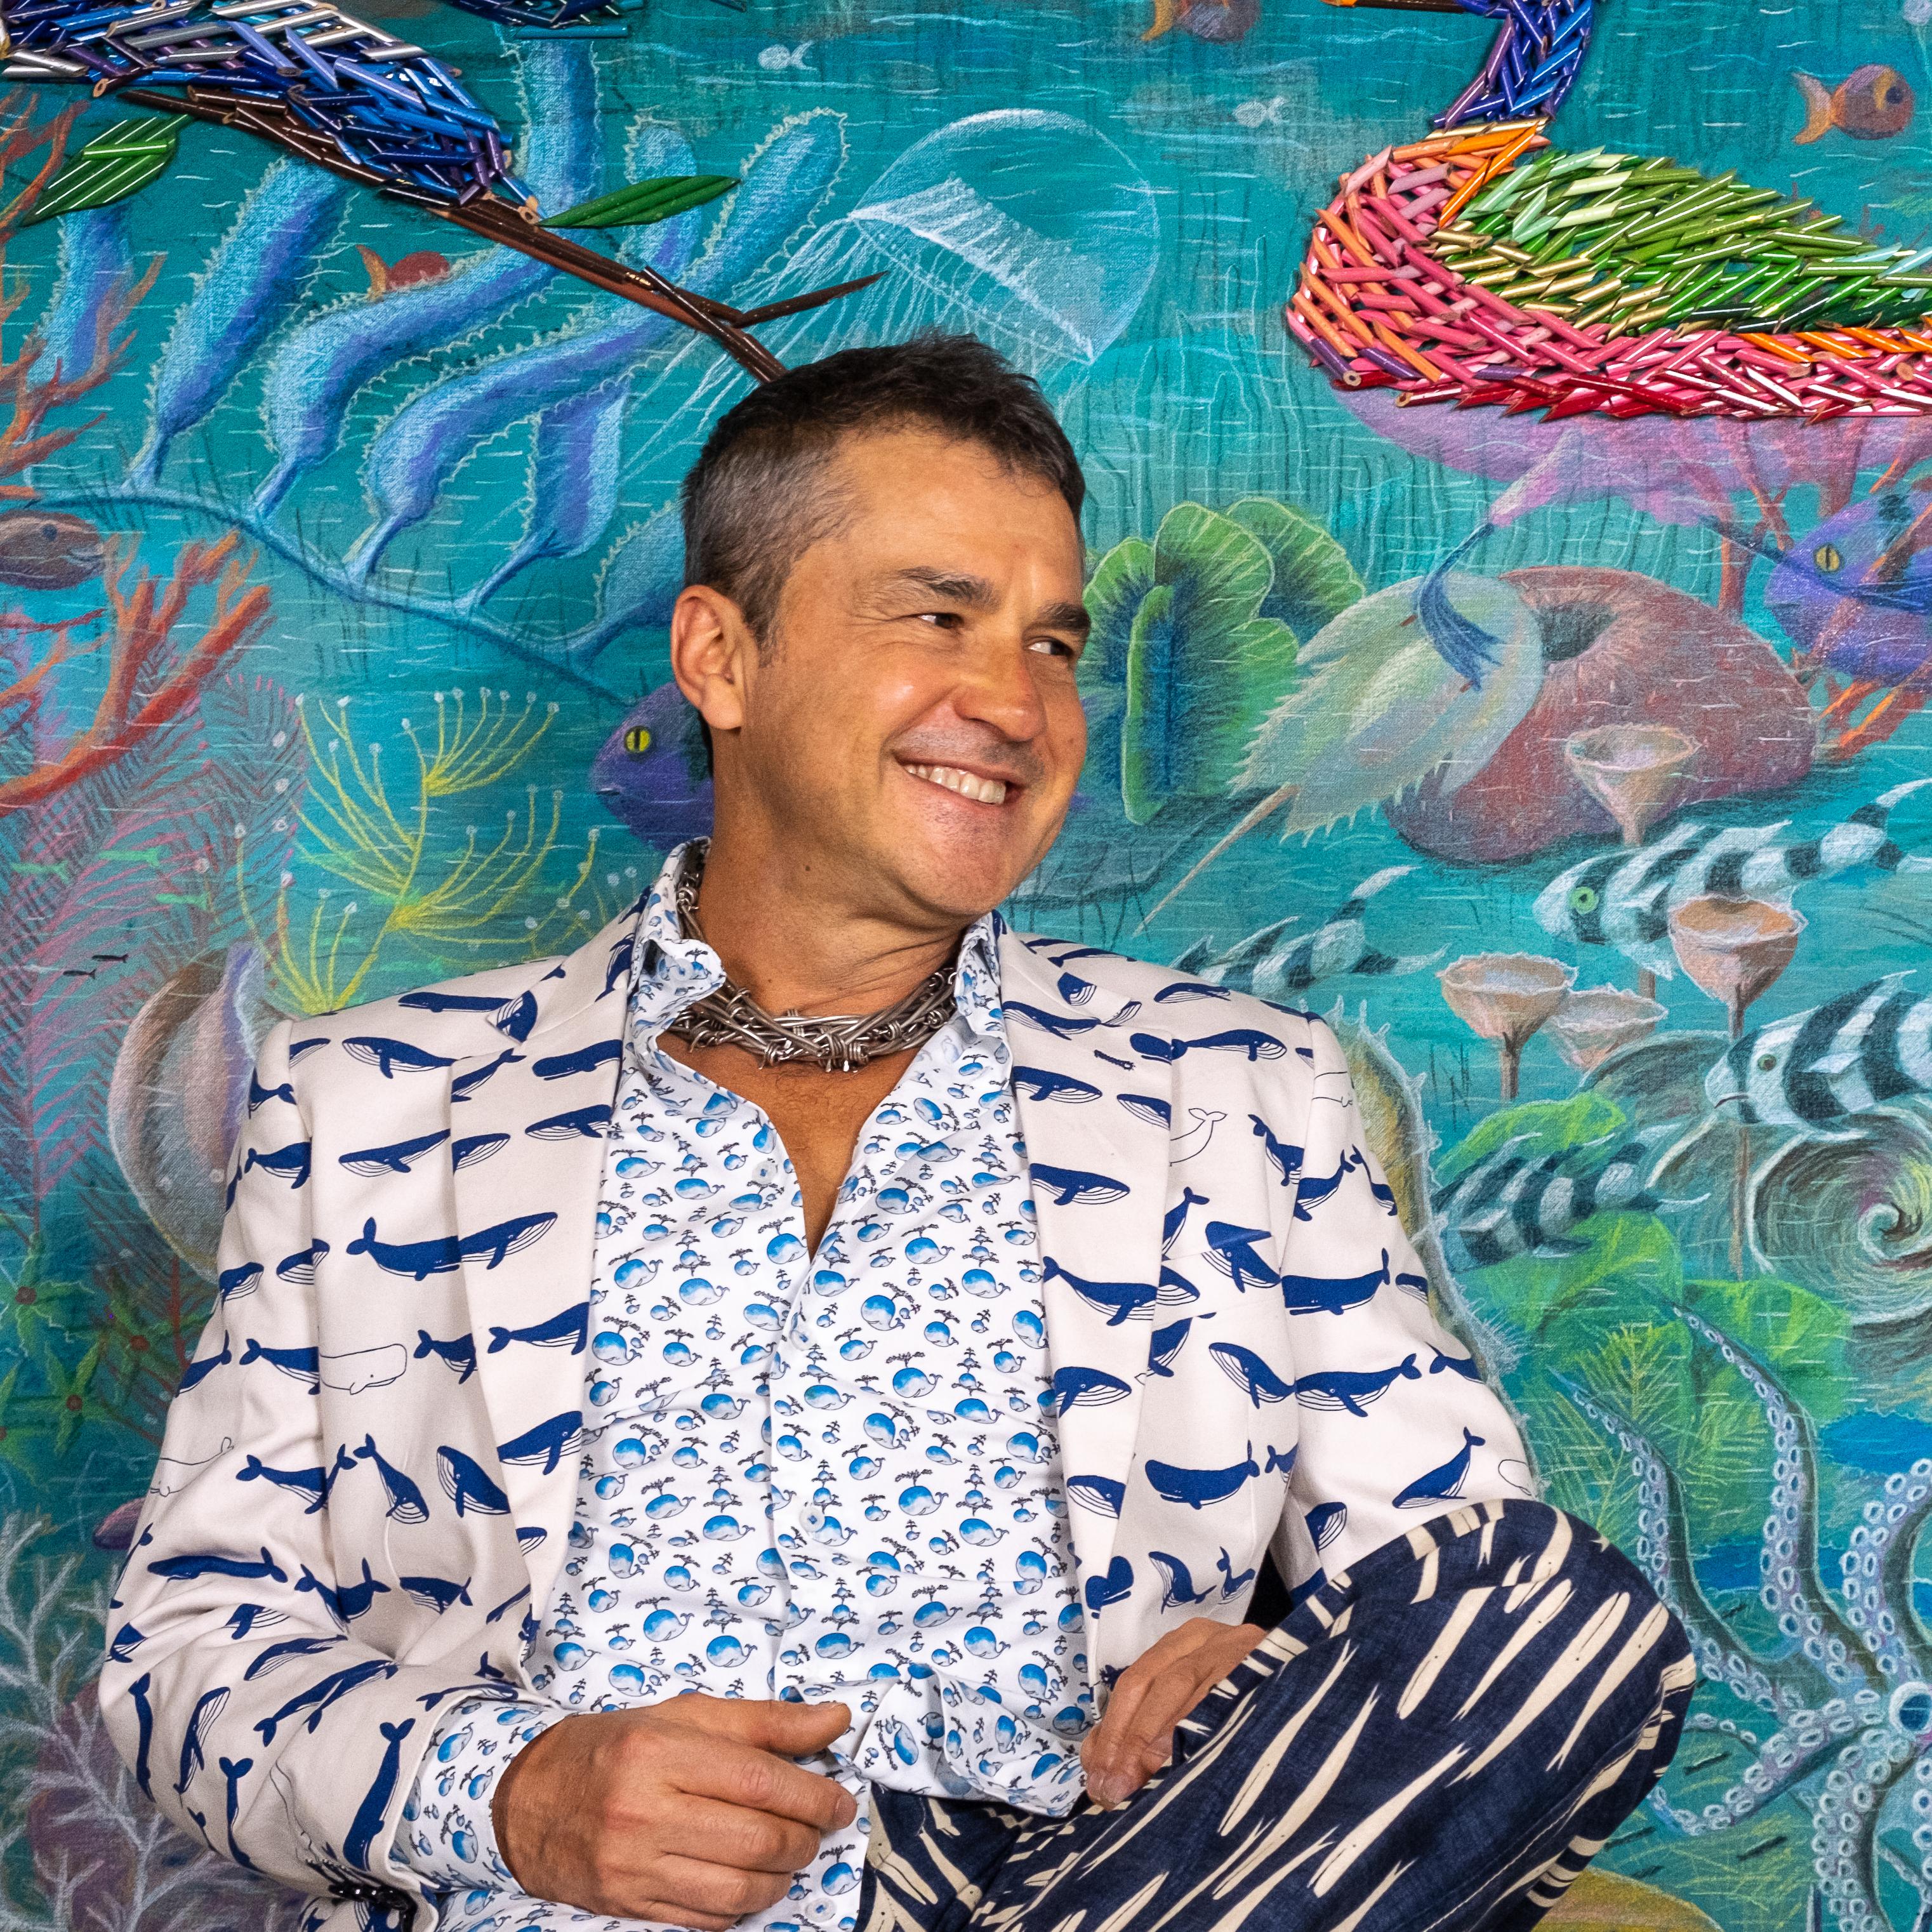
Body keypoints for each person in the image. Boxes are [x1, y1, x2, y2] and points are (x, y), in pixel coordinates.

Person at [102, 333, 1693, 1932]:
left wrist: (1285, 1674)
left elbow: (1474, 1588)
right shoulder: (371, 1101)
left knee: (1563, 1609)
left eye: (1052, 643)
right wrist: (512, 1791)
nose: (1013, 702)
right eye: (937, 616)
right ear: (721, 658)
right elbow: (185, 1658)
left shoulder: (1242, 1090)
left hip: (1103, 1878)